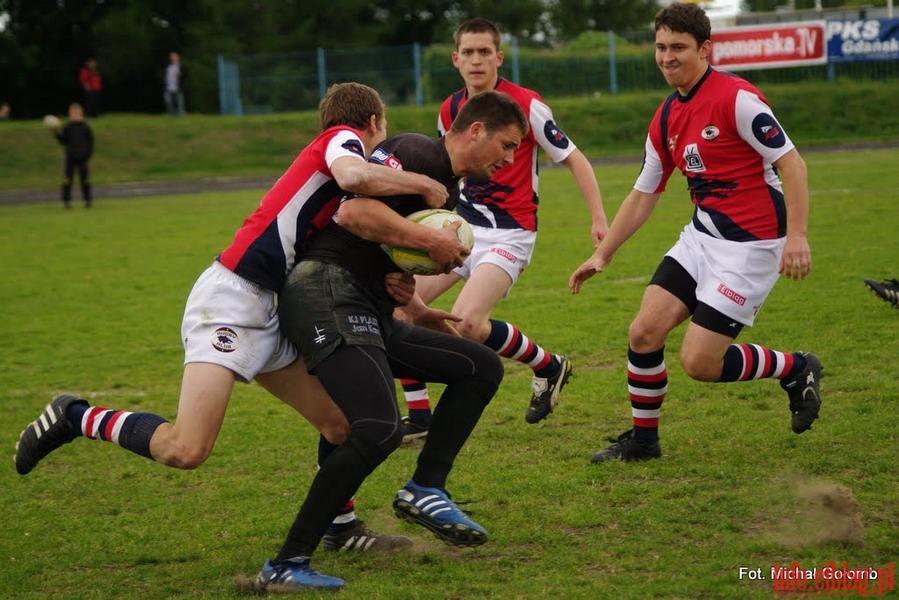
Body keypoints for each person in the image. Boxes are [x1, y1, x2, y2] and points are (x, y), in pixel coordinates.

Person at [14, 83, 458, 567]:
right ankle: (76, 415)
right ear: (373, 124)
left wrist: (408, 298)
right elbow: (354, 173)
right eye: (383, 134)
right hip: (233, 299)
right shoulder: (343, 139)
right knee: (186, 449)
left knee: (341, 426)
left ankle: (341, 526)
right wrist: (421, 183)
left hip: (274, 307)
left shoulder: (340, 179)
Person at [257, 89, 528, 592]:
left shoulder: (446, 185)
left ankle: (426, 488)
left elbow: (383, 247)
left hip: (366, 305)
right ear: (476, 131)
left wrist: (413, 298)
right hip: (327, 293)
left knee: (480, 368)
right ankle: (285, 563)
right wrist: (429, 241)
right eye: (507, 145)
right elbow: (354, 215)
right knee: (378, 428)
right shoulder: (421, 153)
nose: (510, 159)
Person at [569, 1, 822, 463]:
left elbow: (792, 163)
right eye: (661, 47)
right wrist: (602, 254)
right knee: (644, 331)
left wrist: (798, 237)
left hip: (752, 246)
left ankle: (797, 367)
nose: (667, 57)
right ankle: (644, 442)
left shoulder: (737, 99)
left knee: (700, 364)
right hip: (701, 238)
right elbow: (644, 194)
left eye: (679, 47)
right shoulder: (665, 116)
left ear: (705, 49)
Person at [399, 18, 609, 441]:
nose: (476, 60)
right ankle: (419, 416)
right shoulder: (449, 108)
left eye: (484, 52)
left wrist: (599, 217)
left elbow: (574, 158)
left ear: (499, 56)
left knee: (471, 324)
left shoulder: (526, 105)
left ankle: (546, 365)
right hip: (459, 227)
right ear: (456, 60)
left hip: (511, 232)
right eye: (468, 53)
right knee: (399, 307)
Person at [51, 103, 94, 209]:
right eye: (72, 112)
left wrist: (88, 155)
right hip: (70, 157)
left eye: (76, 112)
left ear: (80, 113)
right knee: (67, 179)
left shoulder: (85, 127)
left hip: (83, 157)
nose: (74, 114)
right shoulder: (68, 126)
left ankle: (87, 200)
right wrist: (56, 133)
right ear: (70, 114)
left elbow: (91, 142)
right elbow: (63, 141)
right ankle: (67, 201)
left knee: (85, 179)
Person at [164, 52, 185, 117]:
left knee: (179, 102)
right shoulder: (169, 67)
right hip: (169, 87)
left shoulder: (181, 66)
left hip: (177, 87)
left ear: (178, 58)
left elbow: (186, 75)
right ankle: (172, 114)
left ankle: (180, 115)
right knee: (168, 101)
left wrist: (181, 75)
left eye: (174, 56)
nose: (172, 58)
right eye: (171, 57)